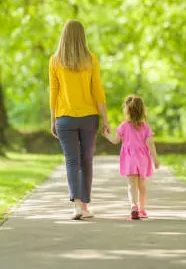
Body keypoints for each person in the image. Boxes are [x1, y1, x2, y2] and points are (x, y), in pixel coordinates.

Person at [49, 20, 109, 220]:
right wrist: (105, 118)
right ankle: (84, 206)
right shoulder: (91, 59)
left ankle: (76, 206)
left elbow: (54, 92)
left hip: (64, 117)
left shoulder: (55, 60)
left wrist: (52, 119)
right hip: (89, 117)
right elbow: (98, 90)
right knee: (86, 160)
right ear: (82, 36)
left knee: (71, 161)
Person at [103, 95, 160, 220]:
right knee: (142, 185)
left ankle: (134, 206)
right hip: (143, 160)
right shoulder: (146, 127)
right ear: (142, 111)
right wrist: (155, 159)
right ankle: (142, 210)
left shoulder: (124, 126)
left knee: (132, 185)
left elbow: (115, 140)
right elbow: (151, 144)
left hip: (129, 159)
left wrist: (107, 135)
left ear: (127, 111)